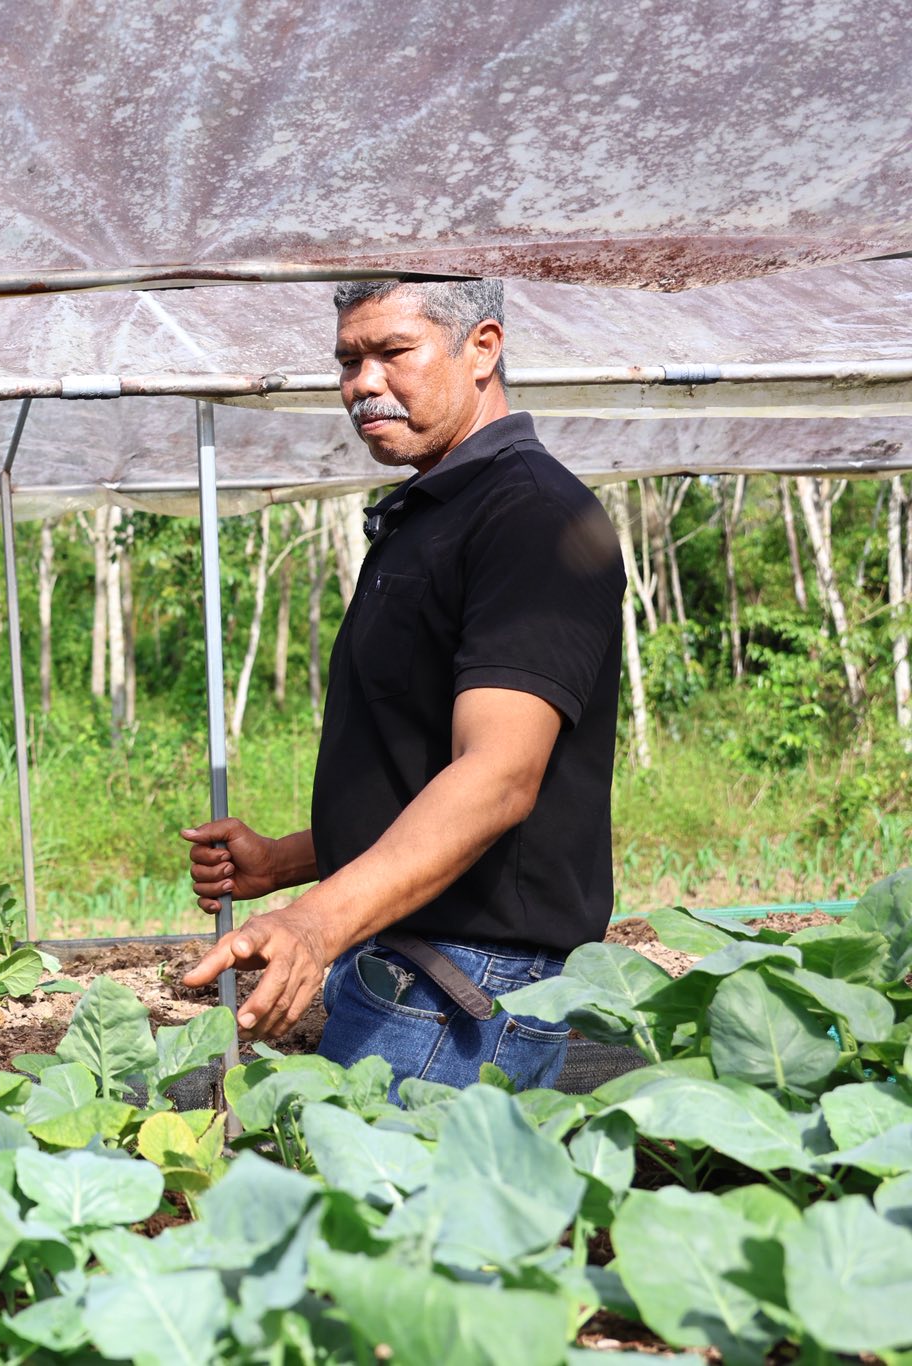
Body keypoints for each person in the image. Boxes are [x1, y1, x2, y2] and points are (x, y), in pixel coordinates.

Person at [179, 278, 625, 1092]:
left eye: (392, 352)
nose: (364, 384)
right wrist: (281, 865)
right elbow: (423, 776)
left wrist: (314, 924)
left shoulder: (530, 517)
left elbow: (496, 778)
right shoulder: (435, 512)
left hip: (465, 988)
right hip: (411, 963)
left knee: (399, 1217)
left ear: (482, 347)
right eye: (349, 361)